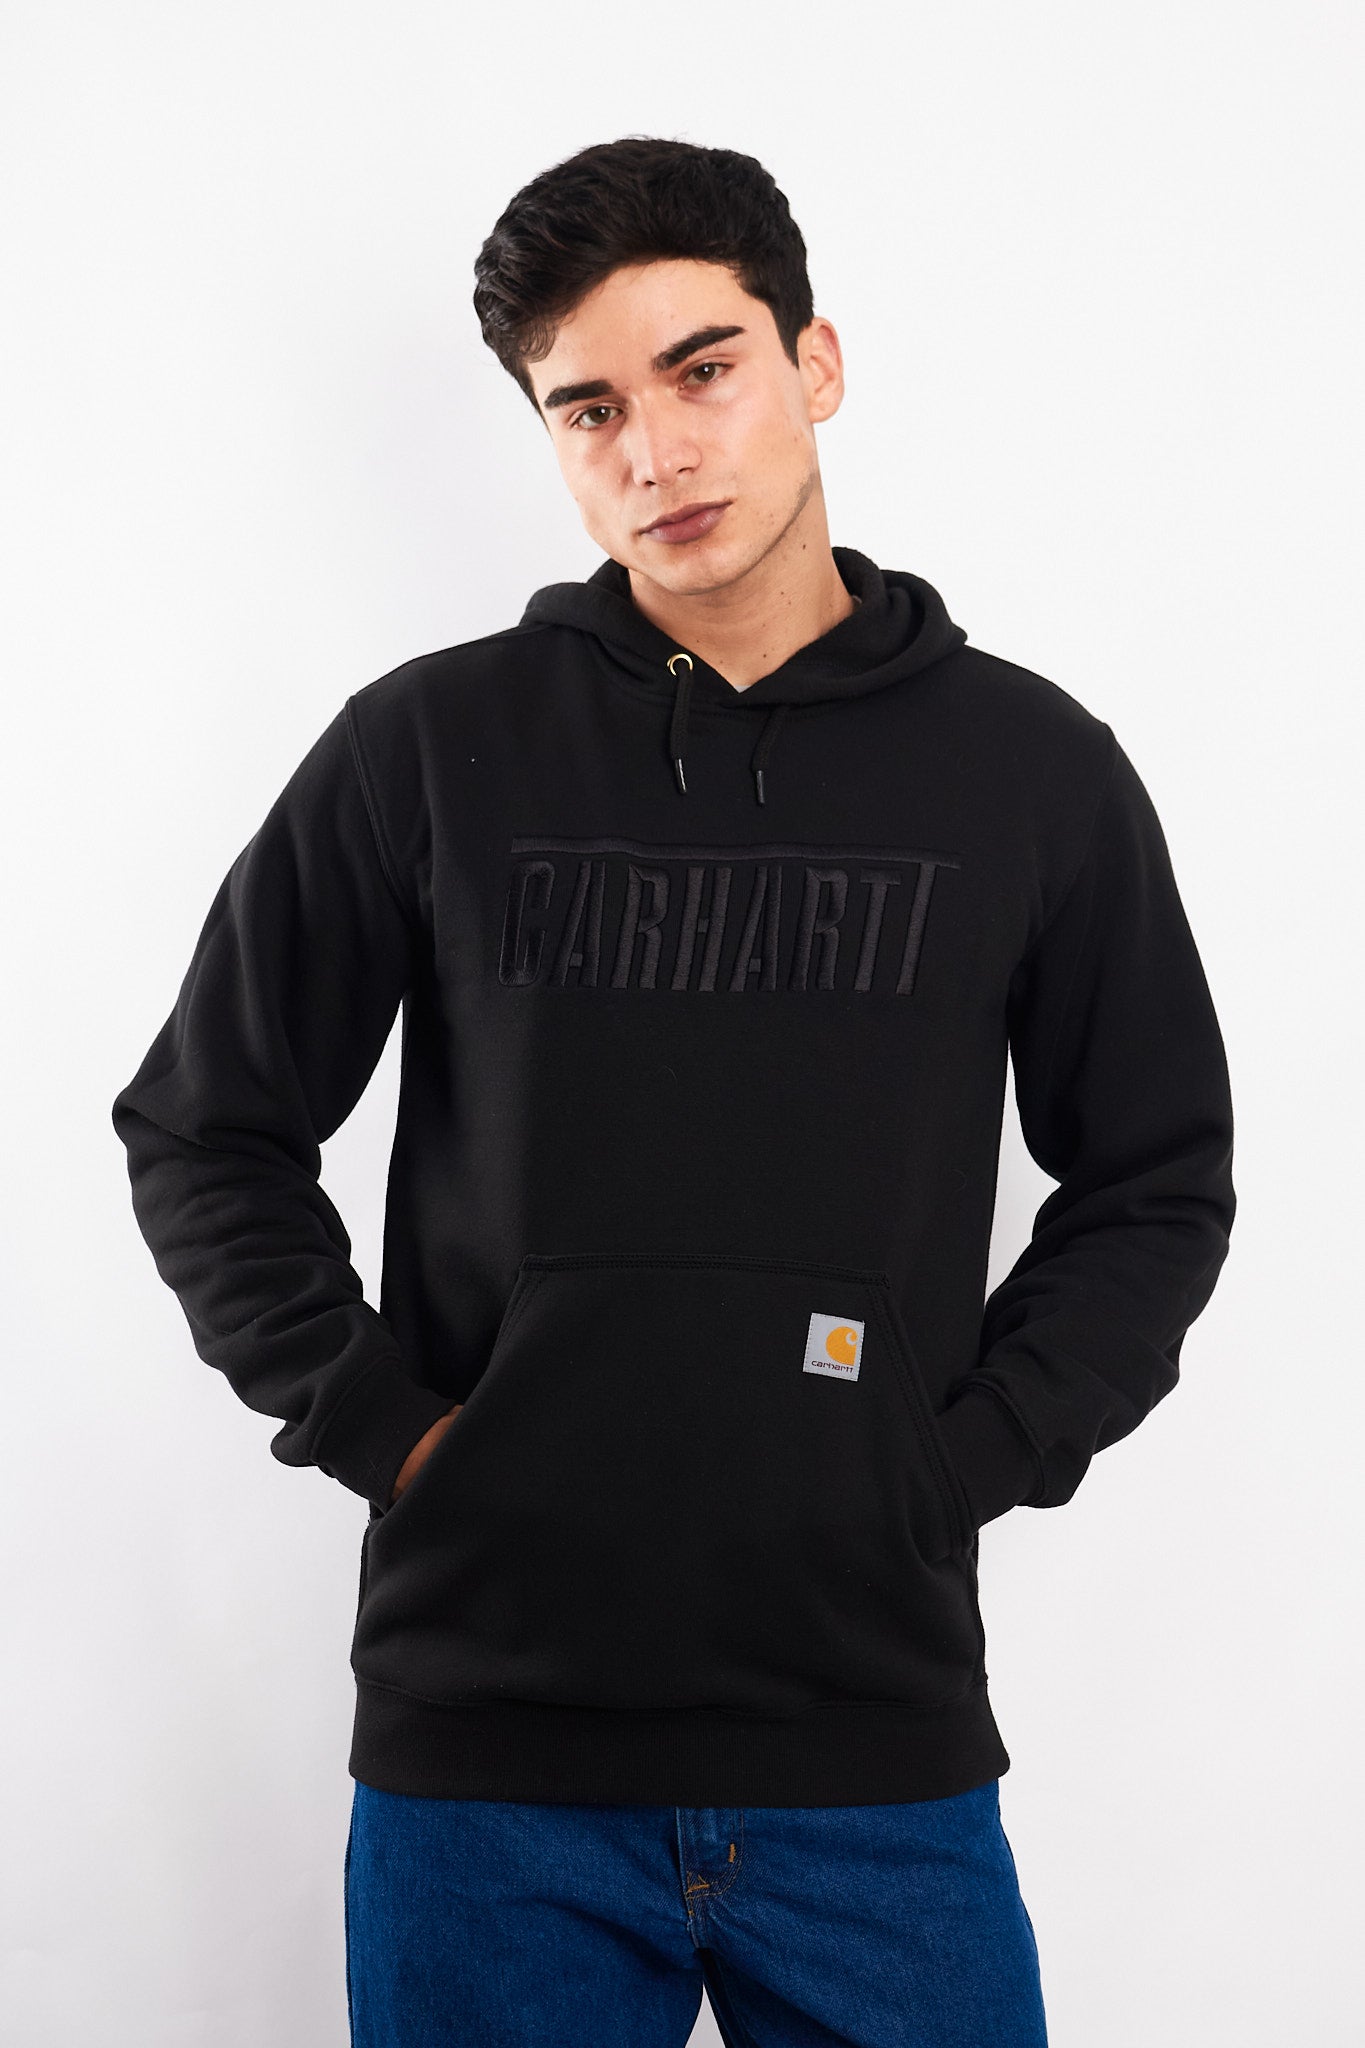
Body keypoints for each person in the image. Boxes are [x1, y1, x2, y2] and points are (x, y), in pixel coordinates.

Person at [111, 136, 1236, 2047]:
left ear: (814, 362)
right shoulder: (426, 748)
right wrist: (389, 1431)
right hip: (491, 1761)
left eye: (702, 370)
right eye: (590, 410)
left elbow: (1154, 1182)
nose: (654, 452)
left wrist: (962, 1462)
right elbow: (205, 1127)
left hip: (871, 1744)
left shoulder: (1030, 772)